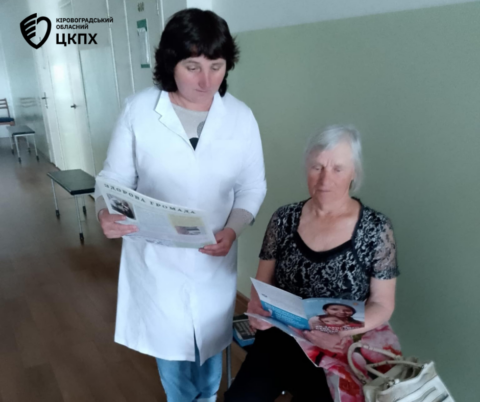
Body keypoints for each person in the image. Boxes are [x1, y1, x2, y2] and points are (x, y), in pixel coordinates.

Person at [95, 9, 266, 402]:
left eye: (216, 66)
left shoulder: (240, 118)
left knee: (210, 363)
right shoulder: (139, 111)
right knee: (174, 370)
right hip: (157, 262)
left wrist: (233, 229)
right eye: (193, 67)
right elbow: (113, 179)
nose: (206, 81)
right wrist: (106, 211)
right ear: (170, 63)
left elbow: (252, 186)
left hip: (213, 259)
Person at [224, 125, 399, 402]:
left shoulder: (376, 229)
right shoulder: (284, 218)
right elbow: (262, 282)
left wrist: (340, 331)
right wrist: (257, 309)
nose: (325, 179)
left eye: (338, 169)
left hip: (338, 347)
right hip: (280, 338)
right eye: (317, 167)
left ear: (354, 172)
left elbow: (382, 304)